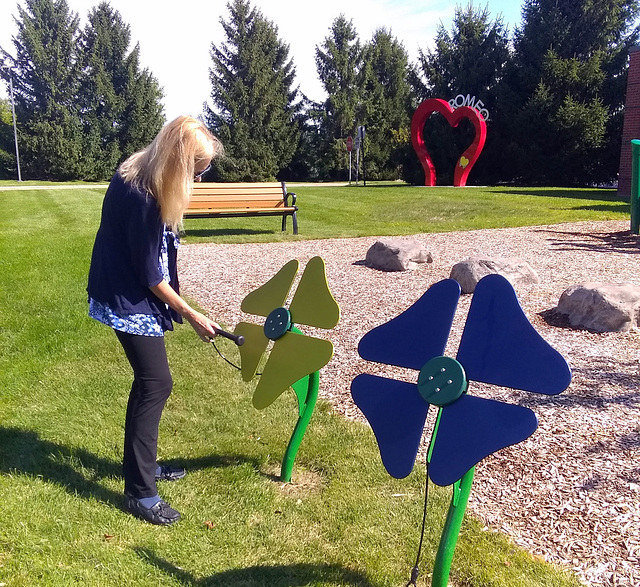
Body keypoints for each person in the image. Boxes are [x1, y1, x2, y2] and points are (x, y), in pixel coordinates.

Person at [87, 116, 223, 525]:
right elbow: (150, 275)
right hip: (125, 296)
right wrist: (192, 313)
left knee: (150, 383)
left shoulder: (140, 169)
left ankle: (142, 468)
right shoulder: (143, 195)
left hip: (128, 287)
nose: (200, 179)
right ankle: (141, 492)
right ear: (179, 162)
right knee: (155, 383)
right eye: (198, 171)